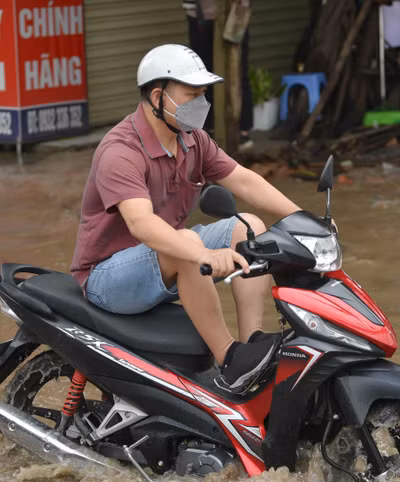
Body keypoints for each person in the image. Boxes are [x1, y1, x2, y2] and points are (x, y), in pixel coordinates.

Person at [70, 44, 301, 394]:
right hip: (107, 278)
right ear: (159, 97)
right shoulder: (120, 151)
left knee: (250, 226)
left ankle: (250, 343)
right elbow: (142, 224)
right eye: (192, 95)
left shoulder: (193, 140)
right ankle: (230, 362)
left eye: (203, 94)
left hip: (162, 263)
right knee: (188, 245)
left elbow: (243, 180)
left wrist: (302, 218)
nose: (201, 104)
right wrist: (204, 255)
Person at [182, 0, 254, 148]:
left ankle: (242, 131)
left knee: (238, 71)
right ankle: (209, 130)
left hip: (234, 15)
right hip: (200, 16)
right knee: (203, 73)